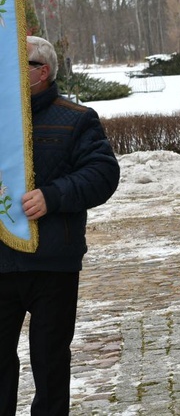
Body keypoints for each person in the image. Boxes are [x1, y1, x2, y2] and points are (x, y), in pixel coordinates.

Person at [0, 36, 120, 414]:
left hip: (52, 263)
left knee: (50, 365)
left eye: (18, 64)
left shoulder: (77, 118)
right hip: (1, 263)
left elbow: (102, 174)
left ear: (42, 72)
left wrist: (52, 196)